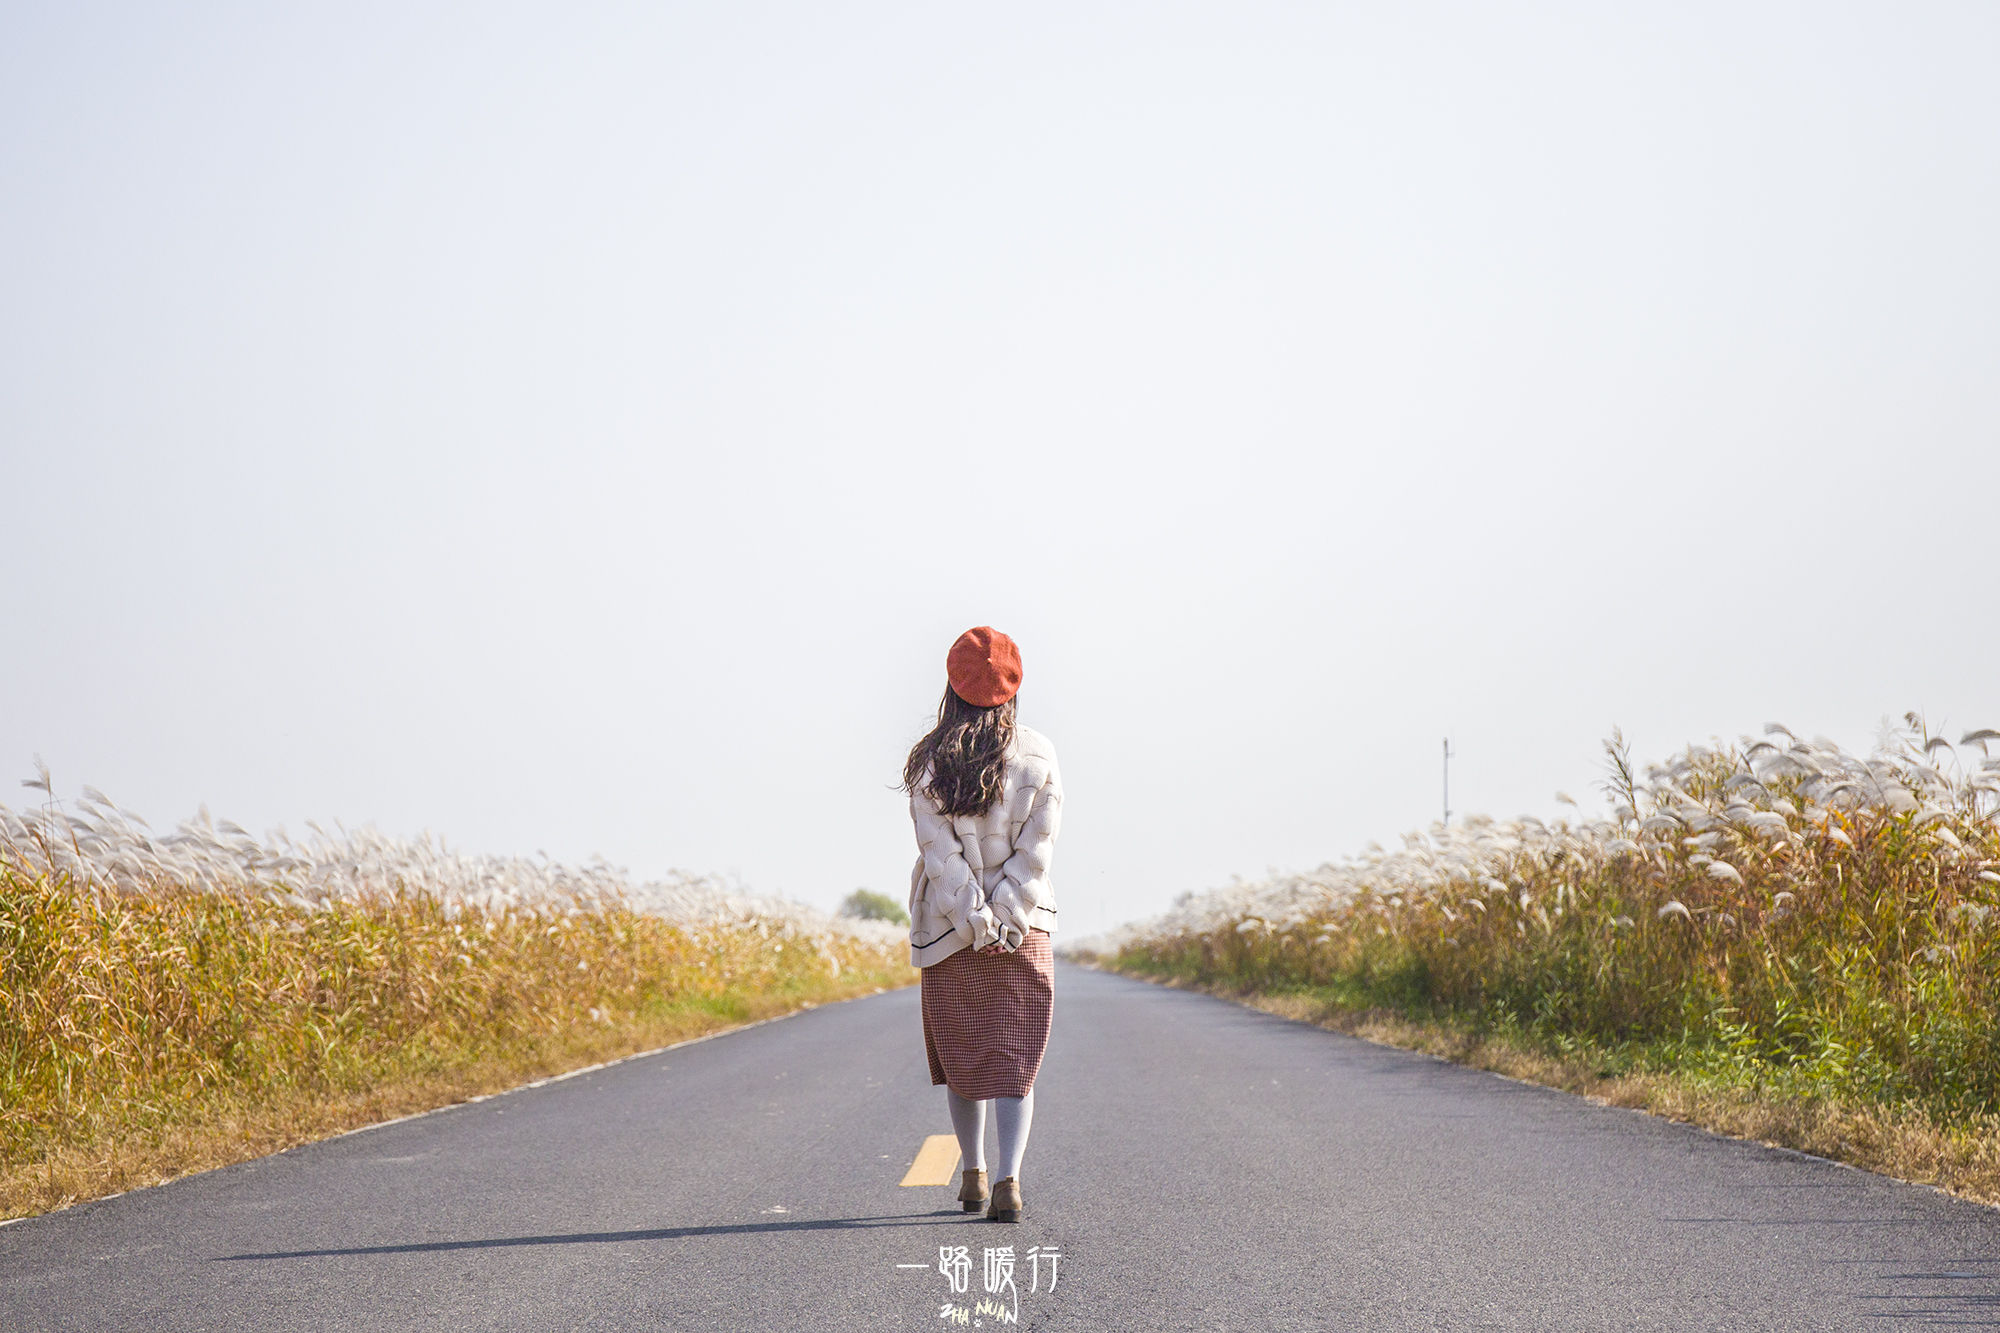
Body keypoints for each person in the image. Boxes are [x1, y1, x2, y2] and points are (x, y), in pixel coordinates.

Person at [903, 626, 1061, 1224]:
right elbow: (1038, 849)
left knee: (963, 1051)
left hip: (948, 932)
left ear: (953, 684)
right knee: (1016, 1056)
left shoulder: (928, 759)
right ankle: (1008, 1180)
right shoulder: (1040, 753)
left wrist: (974, 918)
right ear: (1012, 685)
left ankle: (969, 1171)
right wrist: (1006, 916)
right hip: (1025, 930)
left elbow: (938, 853)